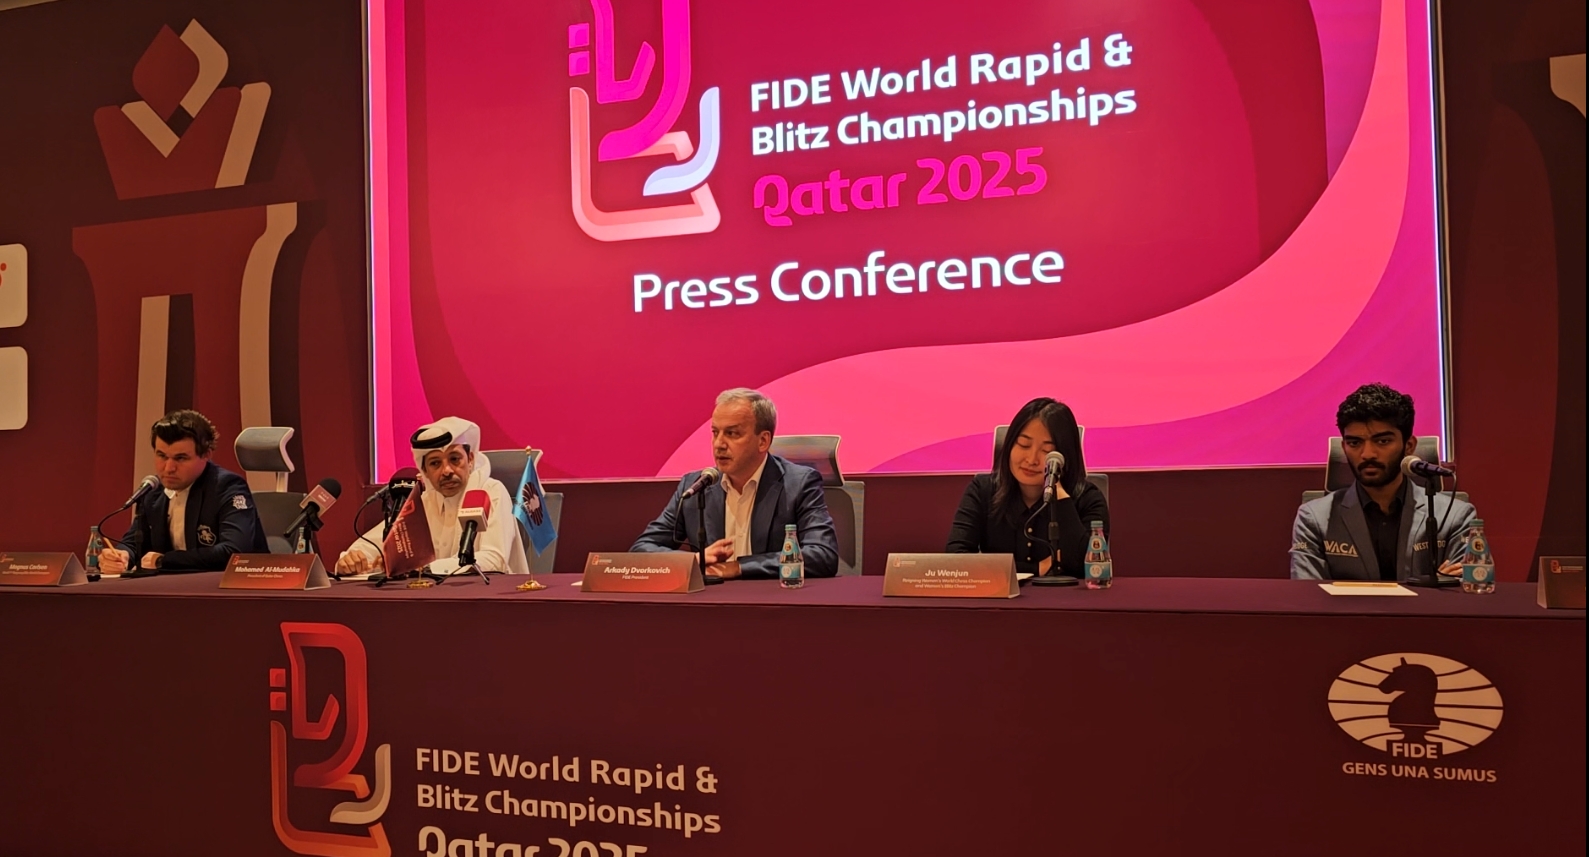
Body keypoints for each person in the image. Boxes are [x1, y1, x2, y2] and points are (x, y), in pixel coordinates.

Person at [632, 388, 838, 579]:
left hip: (772, 600)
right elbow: (641, 549)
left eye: (732, 433)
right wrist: (695, 560)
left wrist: (739, 567)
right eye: (715, 432)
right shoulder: (695, 487)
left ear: (763, 441)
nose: (719, 444)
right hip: (710, 601)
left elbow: (822, 555)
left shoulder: (798, 484)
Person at [1290, 383, 1476, 581]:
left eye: (1383, 441)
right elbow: (1308, 595)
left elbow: (1464, 593)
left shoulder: (1455, 516)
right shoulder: (1314, 519)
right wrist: (1432, 586)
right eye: (1354, 443)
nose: (1367, 454)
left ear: (1409, 445)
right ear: (1344, 447)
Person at [335, 417, 529, 576]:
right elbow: (374, 546)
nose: (447, 471)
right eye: (435, 463)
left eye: (455, 459)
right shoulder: (423, 503)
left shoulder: (490, 491)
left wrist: (423, 569)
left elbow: (494, 559)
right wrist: (350, 560)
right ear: (425, 471)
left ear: (470, 459)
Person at [947, 397, 1109, 577]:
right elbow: (955, 560)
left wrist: (1060, 496)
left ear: (1066, 456)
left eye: (1047, 451)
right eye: (1024, 445)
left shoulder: (1089, 499)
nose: (1032, 460)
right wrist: (1035, 569)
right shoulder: (982, 490)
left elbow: (1091, 567)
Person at [99, 409, 268, 573]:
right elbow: (134, 543)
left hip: (232, 586)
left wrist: (163, 561)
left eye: (180, 458)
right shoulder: (153, 490)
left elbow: (234, 551)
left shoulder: (227, 487)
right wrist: (122, 556)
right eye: (162, 456)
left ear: (206, 454)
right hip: (170, 587)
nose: (168, 468)